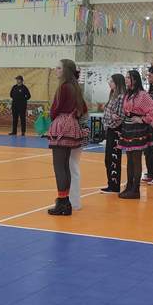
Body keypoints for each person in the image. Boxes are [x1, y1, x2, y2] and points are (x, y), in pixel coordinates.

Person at [45, 59, 88, 216]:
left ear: (65, 71)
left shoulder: (64, 87)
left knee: (59, 166)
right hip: (72, 125)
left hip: (61, 125)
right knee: (65, 166)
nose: (56, 70)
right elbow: (84, 109)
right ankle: (66, 202)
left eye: (58, 68)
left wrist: (53, 116)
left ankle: (62, 202)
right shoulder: (75, 87)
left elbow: (54, 110)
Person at [116, 70, 153, 199]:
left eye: (128, 77)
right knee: (129, 159)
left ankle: (136, 189)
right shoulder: (128, 94)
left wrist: (143, 119)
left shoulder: (142, 94)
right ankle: (129, 186)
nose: (126, 79)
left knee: (136, 159)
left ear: (135, 80)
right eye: (126, 77)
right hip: (128, 127)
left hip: (138, 129)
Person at [99, 74, 126, 193]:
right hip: (110, 129)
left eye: (112, 81)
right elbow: (110, 113)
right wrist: (110, 117)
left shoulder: (121, 97)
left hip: (115, 130)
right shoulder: (113, 95)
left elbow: (119, 116)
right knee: (108, 158)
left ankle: (114, 185)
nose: (109, 83)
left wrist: (111, 119)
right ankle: (111, 183)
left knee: (113, 158)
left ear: (118, 83)